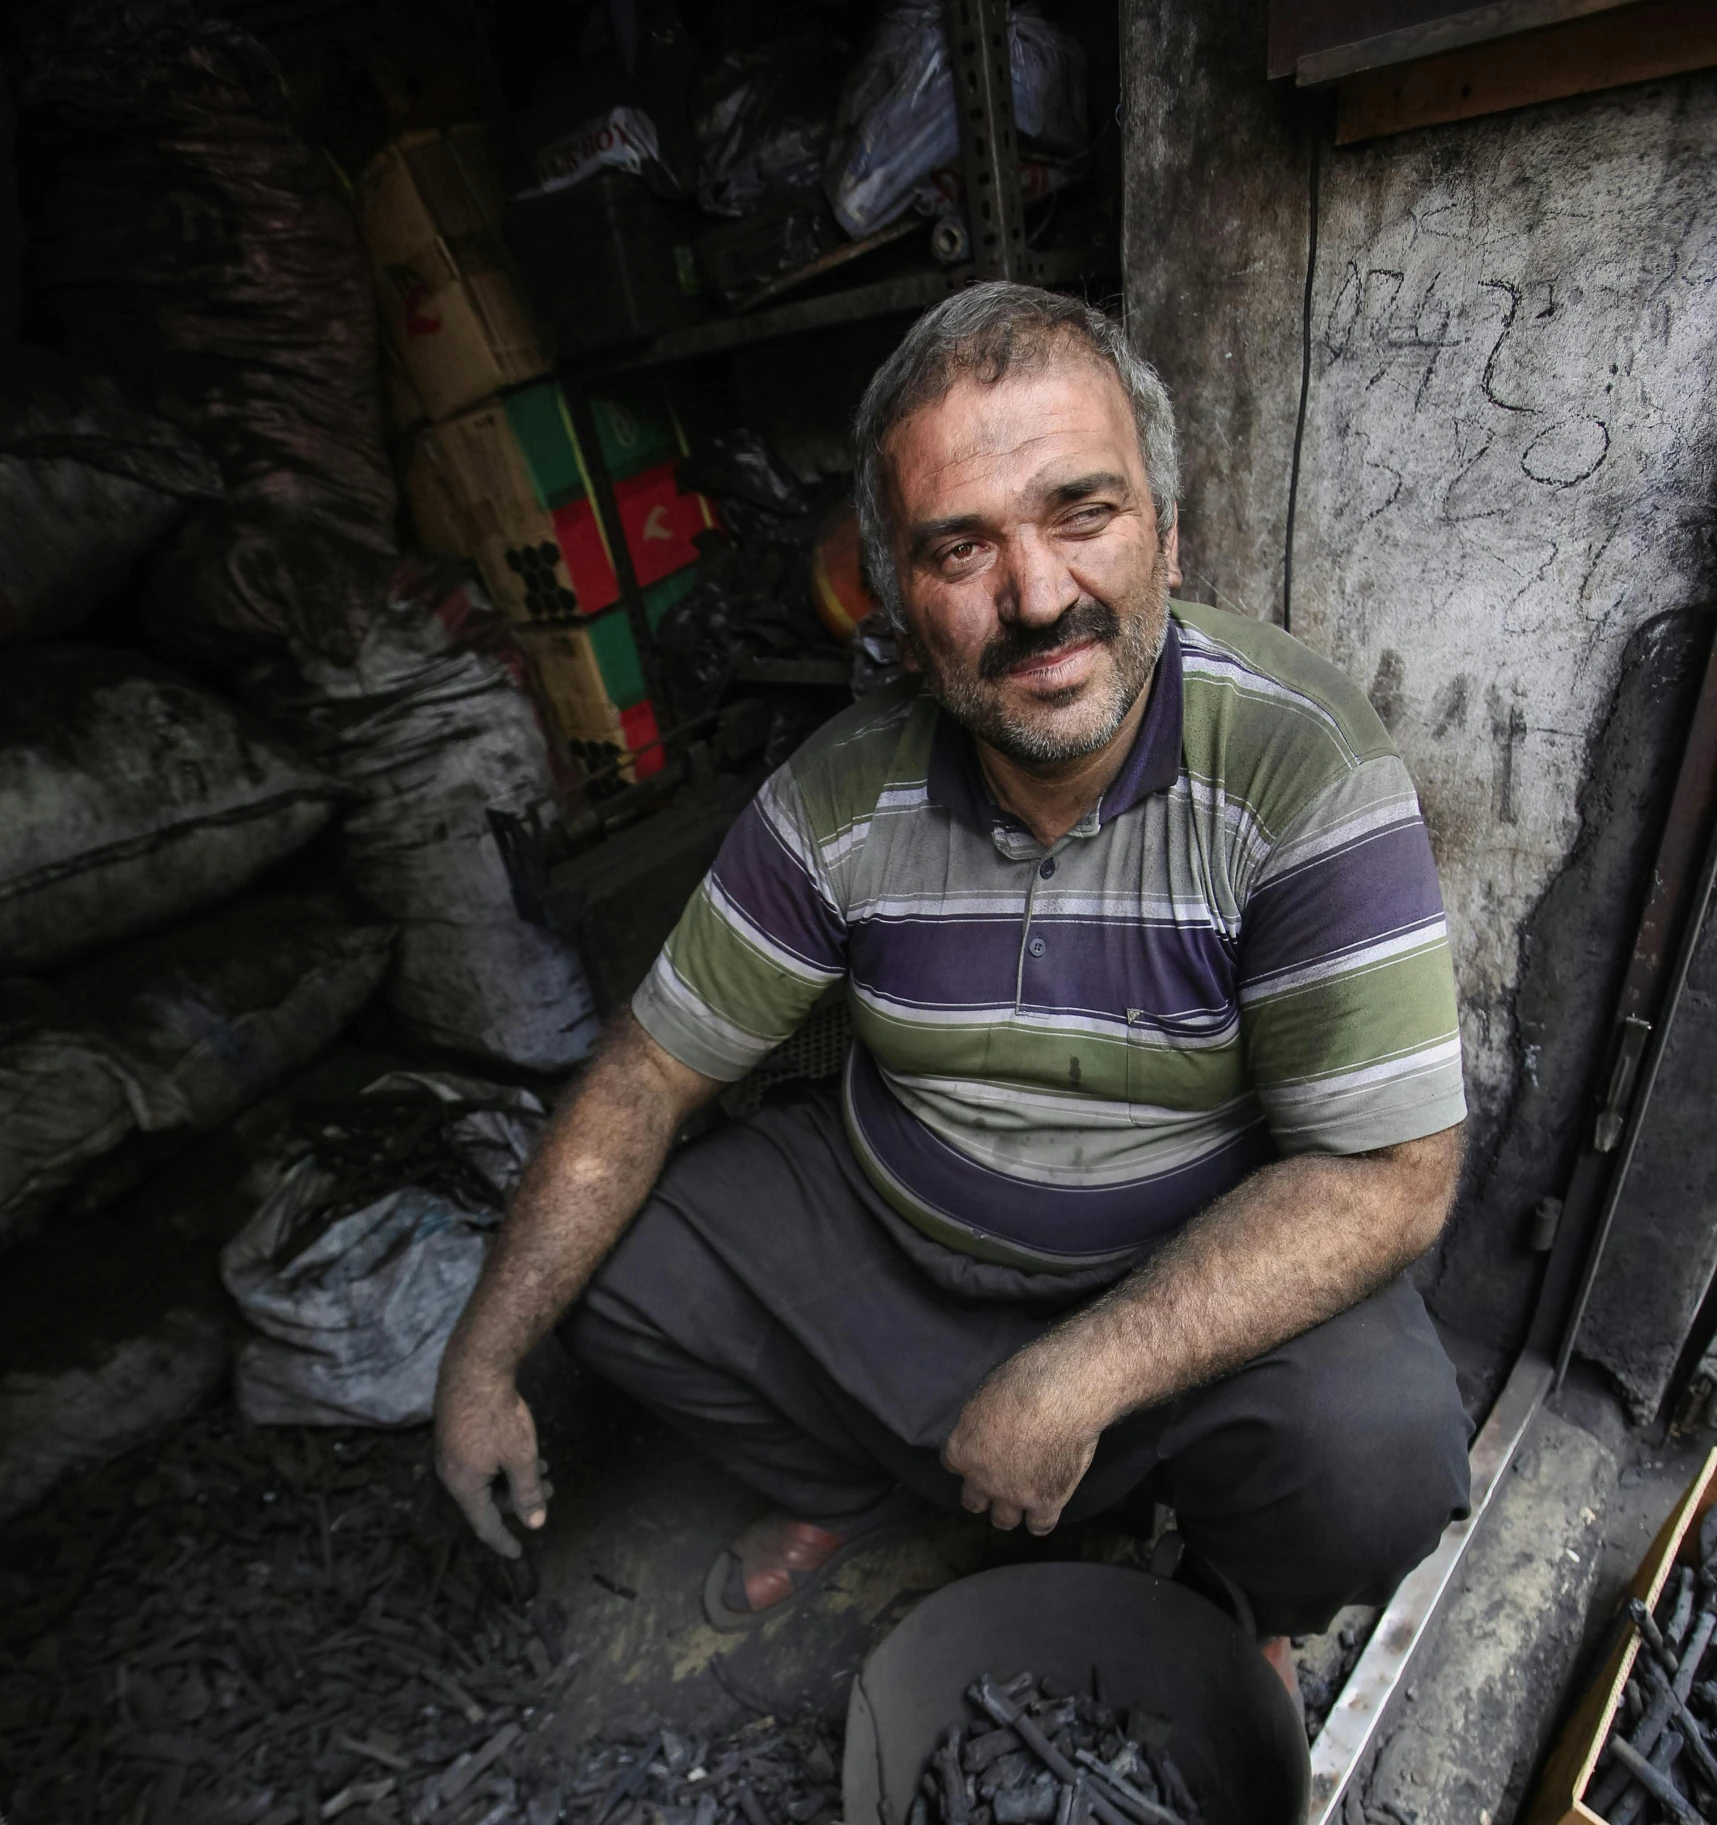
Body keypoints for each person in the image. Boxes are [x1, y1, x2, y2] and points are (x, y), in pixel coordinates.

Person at [433, 284, 1471, 1699]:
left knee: (1383, 1447)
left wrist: (1081, 1374)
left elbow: (1395, 1176)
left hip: (1173, 1260)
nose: (1036, 595)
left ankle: (1240, 1595)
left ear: (1170, 530)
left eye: (1083, 512)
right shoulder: (839, 798)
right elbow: (643, 1075)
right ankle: (860, 1483)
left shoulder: (1296, 767)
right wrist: (483, 1362)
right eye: (960, 548)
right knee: (604, 1274)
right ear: (898, 603)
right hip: (901, 1228)